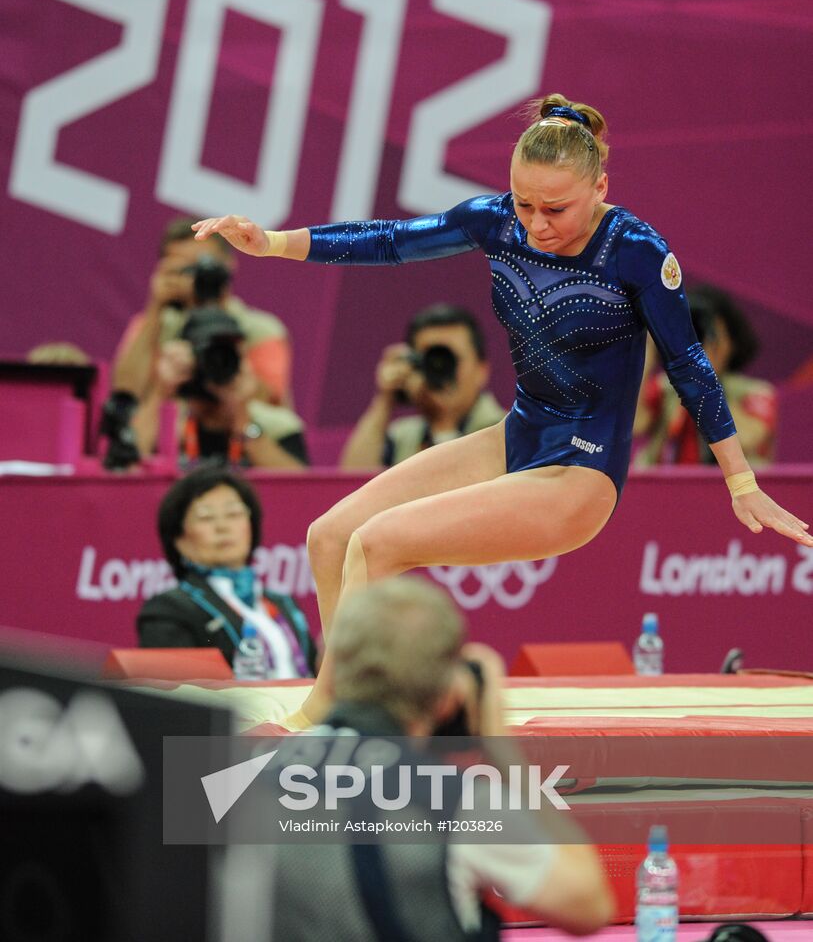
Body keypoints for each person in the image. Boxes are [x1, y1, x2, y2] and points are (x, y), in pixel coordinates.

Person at [193, 93, 812, 726]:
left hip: (581, 474)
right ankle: (352, 704)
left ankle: (335, 716)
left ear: (601, 186)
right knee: (329, 538)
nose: (537, 224)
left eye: (556, 208)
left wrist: (741, 480)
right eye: (523, 203)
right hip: (518, 435)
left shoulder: (637, 252)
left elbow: (690, 367)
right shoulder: (495, 222)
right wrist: (273, 241)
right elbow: (387, 241)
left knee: (377, 544)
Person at [272, 576, 615, 940]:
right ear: (449, 697)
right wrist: (501, 747)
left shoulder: (245, 779)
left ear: (331, 677)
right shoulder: (459, 803)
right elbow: (590, 906)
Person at [137, 466, 316, 676]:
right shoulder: (167, 610)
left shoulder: (283, 602)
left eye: (234, 513)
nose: (222, 526)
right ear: (180, 539)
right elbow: (175, 698)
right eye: (206, 517)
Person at [112, 215, 293, 406]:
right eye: (183, 269)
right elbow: (124, 394)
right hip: (165, 432)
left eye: (203, 266)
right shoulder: (153, 326)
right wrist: (155, 308)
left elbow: (274, 409)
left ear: (229, 265)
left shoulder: (261, 331)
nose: (195, 276)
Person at [128, 309, 309, 470]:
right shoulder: (164, 421)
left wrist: (242, 419)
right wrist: (161, 392)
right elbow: (126, 469)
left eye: (226, 356)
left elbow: (298, 487)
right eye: (206, 356)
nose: (215, 364)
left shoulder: (278, 424)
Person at [340, 303, 505, 469]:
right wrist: (385, 399)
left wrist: (443, 424)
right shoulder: (402, 436)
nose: (440, 368)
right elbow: (351, 483)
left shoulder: (508, 431)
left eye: (451, 359)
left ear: (481, 370)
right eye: (430, 359)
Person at [635, 285, 777, 466]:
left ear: (731, 342)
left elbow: (745, 439)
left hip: (727, 490)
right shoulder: (666, 388)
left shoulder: (755, 393)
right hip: (669, 491)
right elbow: (636, 424)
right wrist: (650, 349)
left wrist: (706, 376)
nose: (699, 341)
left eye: (708, 334)